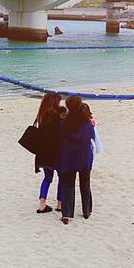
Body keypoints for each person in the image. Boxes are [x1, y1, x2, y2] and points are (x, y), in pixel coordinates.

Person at [56, 95, 95, 225]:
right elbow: (92, 136)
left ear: (68, 105)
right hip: (84, 156)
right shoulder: (87, 122)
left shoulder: (64, 122)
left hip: (68, 156)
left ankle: (66, 214)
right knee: (85, 183)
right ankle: (87, 211)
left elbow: (60, 137)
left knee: (68, 185)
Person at [34, 92, 64, 214]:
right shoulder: (59, 113)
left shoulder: (41, 115)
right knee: (62, 177)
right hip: (57, 151)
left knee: (47, 178)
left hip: (43, 151)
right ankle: (60, 204)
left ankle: (42, 204)